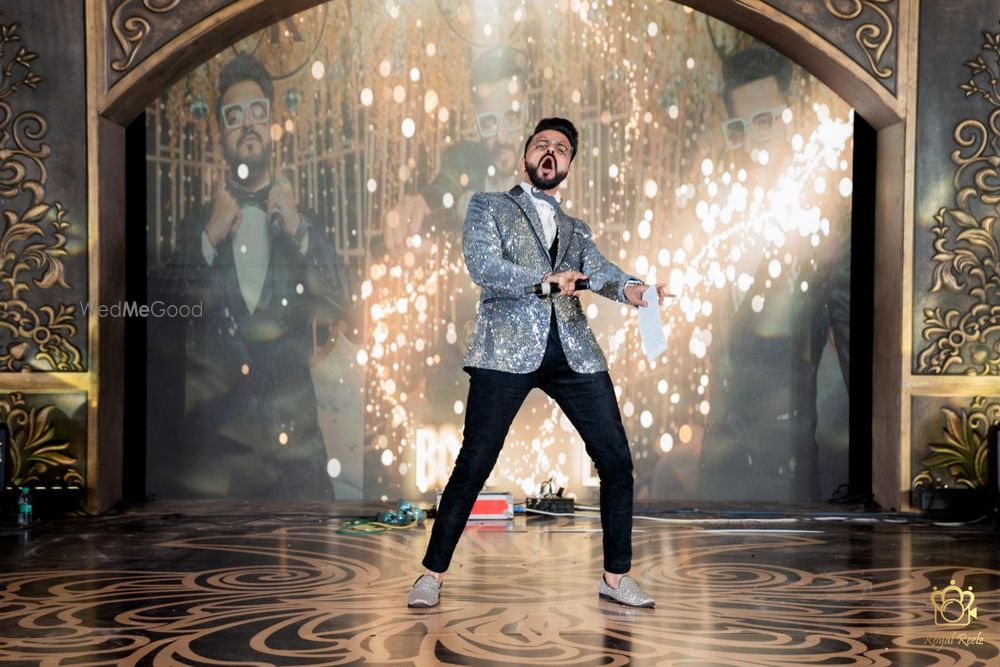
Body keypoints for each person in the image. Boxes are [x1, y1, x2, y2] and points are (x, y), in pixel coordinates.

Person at [407, 118, 667, 609]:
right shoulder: (489, 206)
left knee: (616, 460)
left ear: (568, 165)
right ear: (525, 154)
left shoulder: (575, 229)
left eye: (561, 149)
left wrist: (635, 289)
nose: (551, 152)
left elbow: (601, 272)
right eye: (542, 144)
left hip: (572, 351)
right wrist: (544, 280)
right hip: (504, 350)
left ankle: (615, 579)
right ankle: (431, 575)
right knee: (475, 461)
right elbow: (484, 267)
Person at [161, 53, 356, 499]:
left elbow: (346, 301)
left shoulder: (305, 221)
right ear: (220, 137)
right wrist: (208, 236)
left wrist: (298, 229)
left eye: (257, 112)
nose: (247, 124)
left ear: (271, 126)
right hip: (218, 463)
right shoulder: (196, 225)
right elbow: (165, 314)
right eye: (234, 116)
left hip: (298, 462)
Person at [695, 45, 851, 501]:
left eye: (765, 123)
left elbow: (854, 352)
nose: (753, 144)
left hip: (785, 471)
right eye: (740, 129)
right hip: (716, 469)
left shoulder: (825, 227)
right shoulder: (717, 220)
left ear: (790, 120)